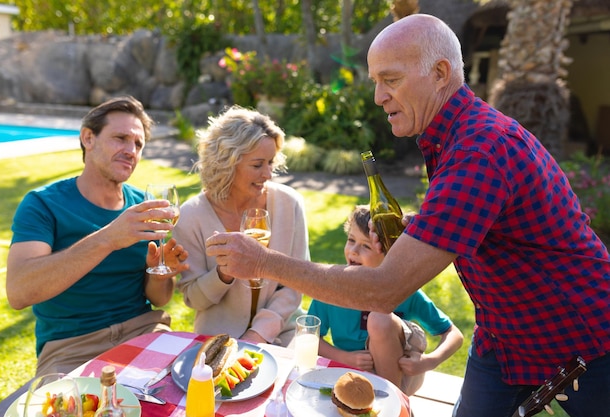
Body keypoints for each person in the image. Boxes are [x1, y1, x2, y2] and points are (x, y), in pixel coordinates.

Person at [206, 14, 610, 417]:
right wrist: (426, 228)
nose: (379, 96)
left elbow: (385, 290)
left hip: (580, 342)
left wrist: (262, 261)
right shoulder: (457, 138)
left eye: (391, 80)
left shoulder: (479, 151)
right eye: (375, 82)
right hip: (503, 336)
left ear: (439, 73)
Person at [6, 96, 189, 377]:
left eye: (138, 144)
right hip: (70, 346)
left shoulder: (145, 204)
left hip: (142, 330)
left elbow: (160, 298)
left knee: (189, 392)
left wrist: (160, 274)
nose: (131, 150)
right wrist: (109, 238)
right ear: (88, 138)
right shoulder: (42, 204)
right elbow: (19, 292)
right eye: (120, 138)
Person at [173, 105, 309, 347]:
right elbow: (193, 298)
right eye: (257, 165)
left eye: (271, 162)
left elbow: (295, 284)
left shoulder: (289, 204)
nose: (268, 174)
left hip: (283, 334)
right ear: (227, 163)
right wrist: (223, 274)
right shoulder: (190, 216)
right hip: (216, 340)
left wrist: (257, 335)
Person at [309, 205, 463, 395]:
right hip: (350, 374)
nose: (354, 251)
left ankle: (395, 403)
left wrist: (428, 362)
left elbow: (453, 334)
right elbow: (309, 336)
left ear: (391, 253)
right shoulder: (332, 286)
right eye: (351, 240)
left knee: (380, 319)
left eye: (366, 246)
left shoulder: (404, 289)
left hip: (402, 377)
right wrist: (344, 357)